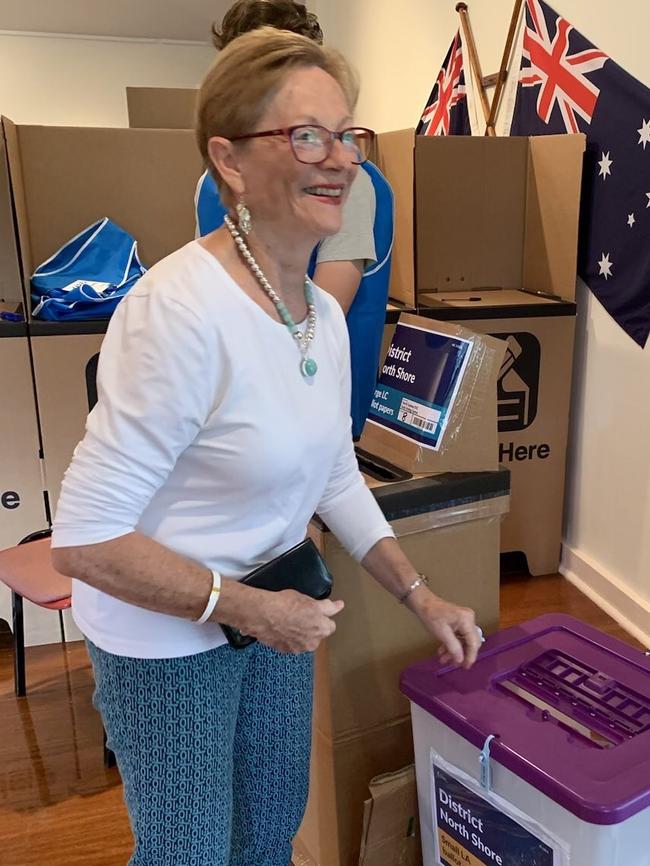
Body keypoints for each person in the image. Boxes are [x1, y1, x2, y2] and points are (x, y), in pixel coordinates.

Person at [51, 29, 479, 866]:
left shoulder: (317, 313)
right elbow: (84, 540)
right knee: (191, 853)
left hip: (273, 612)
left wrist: (421, 595)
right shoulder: (179, 312)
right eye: (306, 135)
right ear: (232, 161)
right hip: (169, 640)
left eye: (348, 135)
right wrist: (251, 610)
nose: (341, 160)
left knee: (270, 826)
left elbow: (332, 474)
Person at [195, 0, 394, 440]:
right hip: (239, 429)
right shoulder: (208, 187)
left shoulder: (348, 180)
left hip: (321, 419)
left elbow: (320, 320)